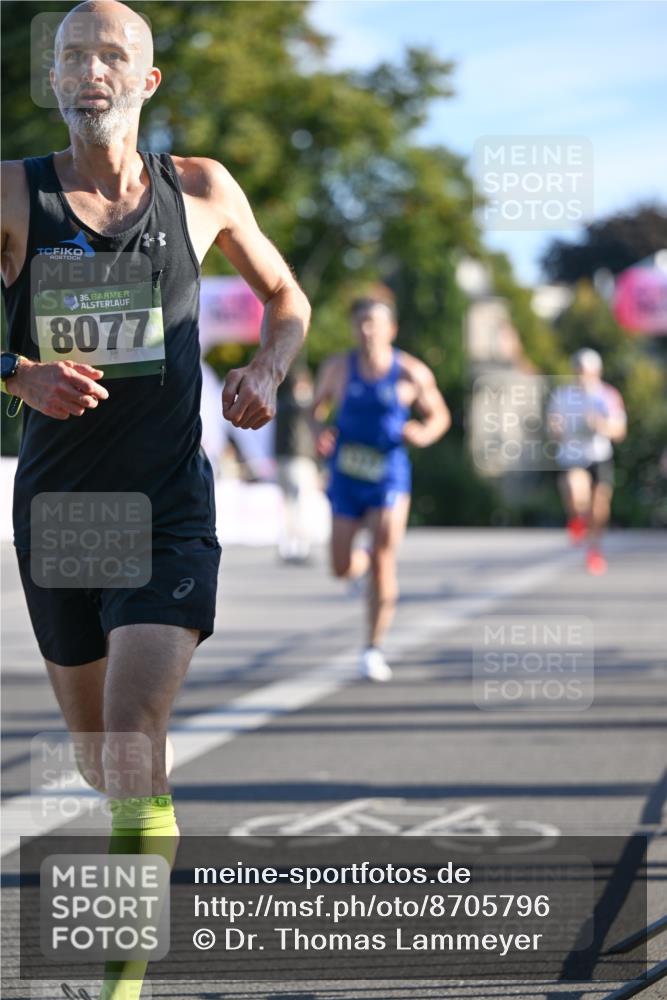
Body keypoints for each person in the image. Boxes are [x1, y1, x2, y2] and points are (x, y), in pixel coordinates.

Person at [0, 2, 310, 996]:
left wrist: (267, 366)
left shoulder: (202, 188)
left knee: (134, 737)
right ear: (53, 79)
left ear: (147, 82)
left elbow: (290, 300)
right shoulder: (12, 194)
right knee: (101, 756)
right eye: (73, 56)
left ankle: (120, 983)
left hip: (169, 506)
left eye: (113, 55)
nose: (92, 70)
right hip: (62, 513)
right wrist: (19, 374)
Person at [312, 290, 451, 681]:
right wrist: (319, 432)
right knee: (341, 566)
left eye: (375, 323)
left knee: (384, 559)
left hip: (389, 474)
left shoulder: (411, 372)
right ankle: (357, 571)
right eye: (361, 323)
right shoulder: (338, 368)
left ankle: (372, 648)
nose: (367, 330)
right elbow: (315, 410)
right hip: (347, 475)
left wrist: (423, 432)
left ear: (392, 329)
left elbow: (440, 416)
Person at [547, 348, 627, 574]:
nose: (583, 376)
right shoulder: (562, 395)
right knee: (574, 488)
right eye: (579, 371)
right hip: (572, 456)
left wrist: (601, 425)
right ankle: (577, 519)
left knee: (599, 507)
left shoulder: (608, 396)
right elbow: (553, 424)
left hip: (599, 455)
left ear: (597, 372)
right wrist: (557, 429)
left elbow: (620, 430)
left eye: (588, 371)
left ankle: (594, 550)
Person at [274, 361, 320, 562]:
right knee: (301, 504)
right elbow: (315, 410)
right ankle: (301, 547)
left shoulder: (280, 404)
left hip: (282, 459)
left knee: (288, 505)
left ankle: (286, 546)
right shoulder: (300, 406)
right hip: (300, 460)